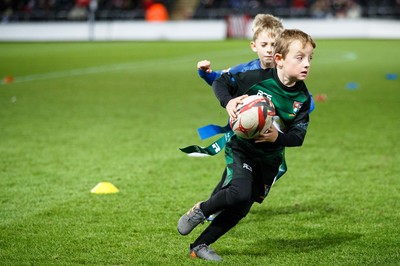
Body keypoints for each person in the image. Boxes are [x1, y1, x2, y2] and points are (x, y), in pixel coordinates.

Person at [178, 29, 316, 261]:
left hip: (269, 160)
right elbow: (221, 81)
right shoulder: (256, 77)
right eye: (300, 57)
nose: (307, 64)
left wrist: (277, 138)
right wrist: (228, 100)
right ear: (279, 60)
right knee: (238, 192)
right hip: (242, 148)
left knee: (241, 207)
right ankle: (201, 210)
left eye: (310, 58)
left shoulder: (302, 99)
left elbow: (298, 137)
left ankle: (200, 245)